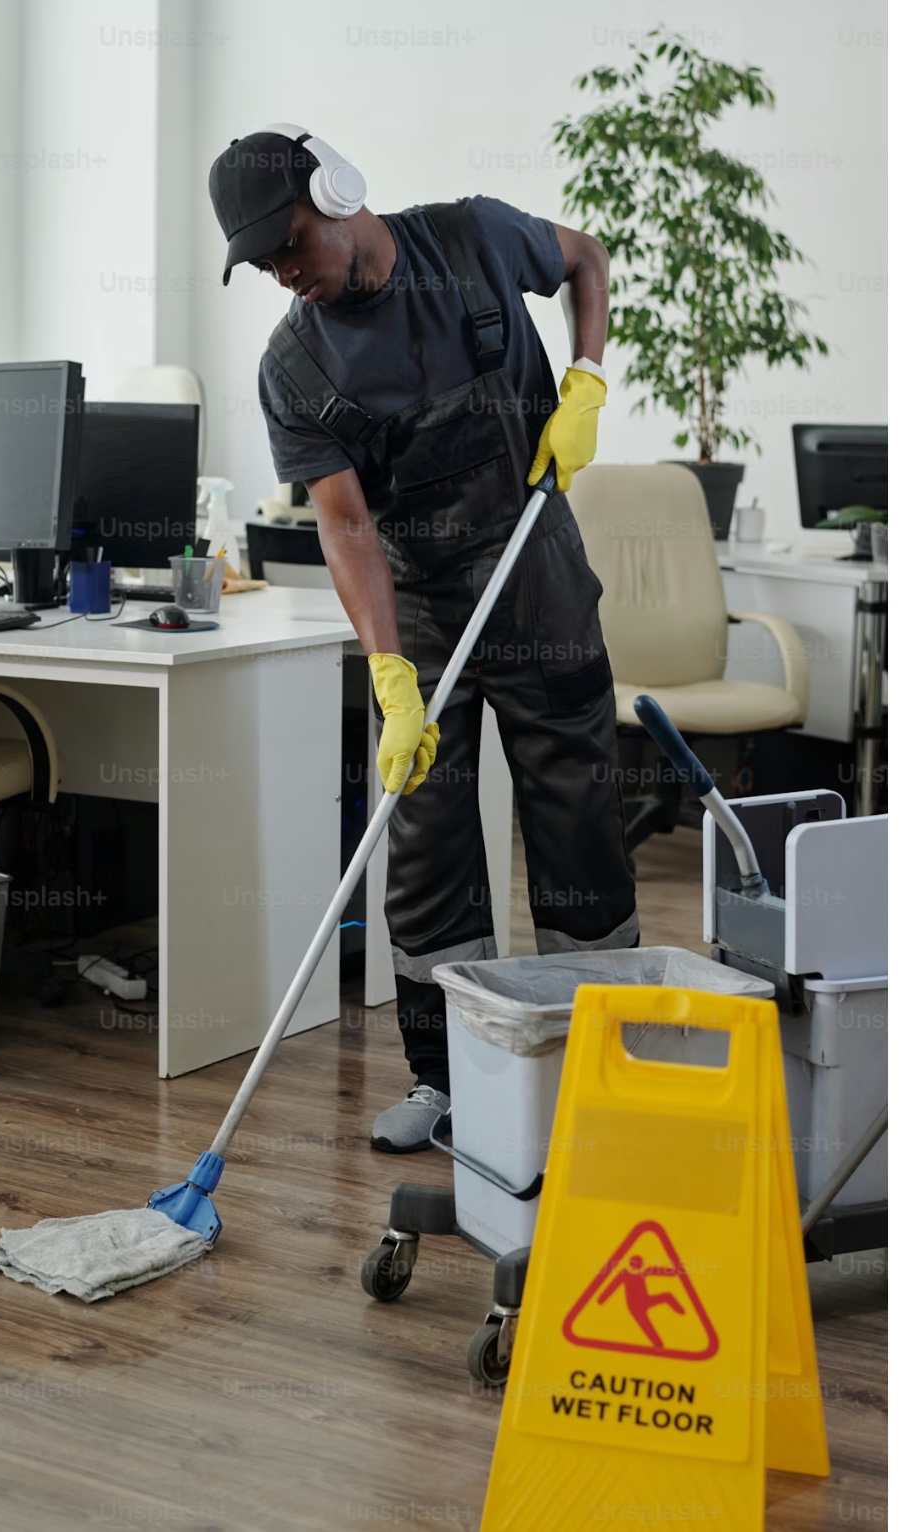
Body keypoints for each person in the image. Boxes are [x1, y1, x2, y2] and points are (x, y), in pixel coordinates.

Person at [209, 126, 637, 1152]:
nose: (285, 275)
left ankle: (602, 1061)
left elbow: (586, 258)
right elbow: (344, 520)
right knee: (426, 841)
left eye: (289, 247)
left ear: (335, 189)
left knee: (574, 816)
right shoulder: (293, 365)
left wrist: (585, 378)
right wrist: (389, 673)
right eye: (263, 263)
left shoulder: (475, 239)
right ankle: (448, 1080)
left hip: (534, 574)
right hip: (423, 611)